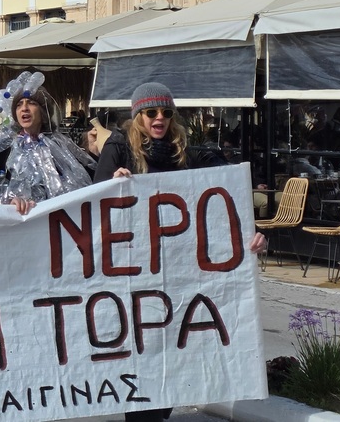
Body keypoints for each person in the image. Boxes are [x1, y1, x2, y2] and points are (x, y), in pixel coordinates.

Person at [93, 82, 266, 422]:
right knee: (141, 349)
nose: (159, 118)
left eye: (166, 112)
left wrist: (249, 234)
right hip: (133, 268)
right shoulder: (118, 148)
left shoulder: (187, 154)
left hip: (177, 270)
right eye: (151, 112)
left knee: (171, 348)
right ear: (137, 115)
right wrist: (114, 183)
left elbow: (222, 197)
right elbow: (95, 203)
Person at [0, 75, 95, 203]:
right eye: (19, 105)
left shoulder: (59, 145)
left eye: (31, 103)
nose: (24, 108)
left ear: (43, 112)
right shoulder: (7, 150)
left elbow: (88, 180)